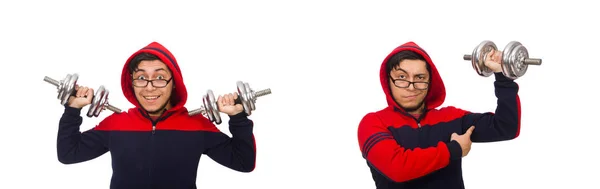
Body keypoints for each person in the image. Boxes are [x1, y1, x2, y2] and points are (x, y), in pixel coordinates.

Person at [56, 41, 256, 189]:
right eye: (141, 78)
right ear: (131, 82)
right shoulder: (116, 123)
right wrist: (72, 109)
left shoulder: (197, 125)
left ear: (174, 82)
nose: (149, 88)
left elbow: (243, 162)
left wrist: (238, 118)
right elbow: (68, 154)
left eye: (160, 77)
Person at [357, 41, 521, 189]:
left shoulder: (451, 117)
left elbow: (506, 127)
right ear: (388, 81)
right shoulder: (373, 123)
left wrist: (503, 76)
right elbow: (398, 168)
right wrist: (454, 150)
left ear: (430, 82)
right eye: (401, 77)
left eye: (420, 78)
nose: (411, 87)